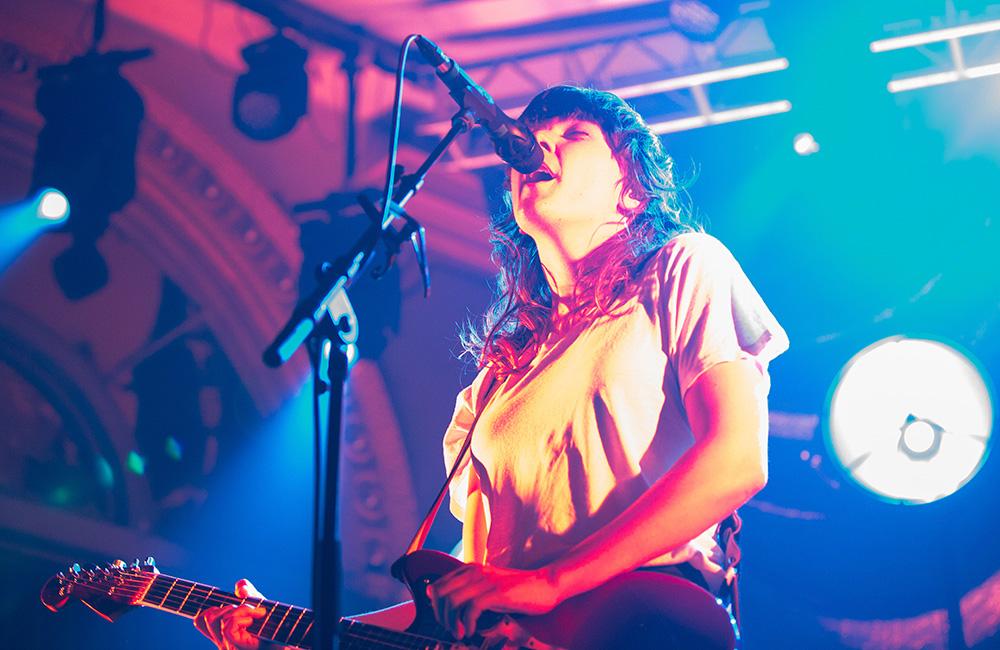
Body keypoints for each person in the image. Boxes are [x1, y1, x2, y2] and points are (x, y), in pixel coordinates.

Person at [194, 84, 788, 650]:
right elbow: (471, 596)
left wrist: (550, 584)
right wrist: (305, 635)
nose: (540, 144)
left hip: (641, 627)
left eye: (575, 133)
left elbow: (737, 460)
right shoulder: (497, 380)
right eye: (531, 133)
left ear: (631, 190)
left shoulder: (683, 266)